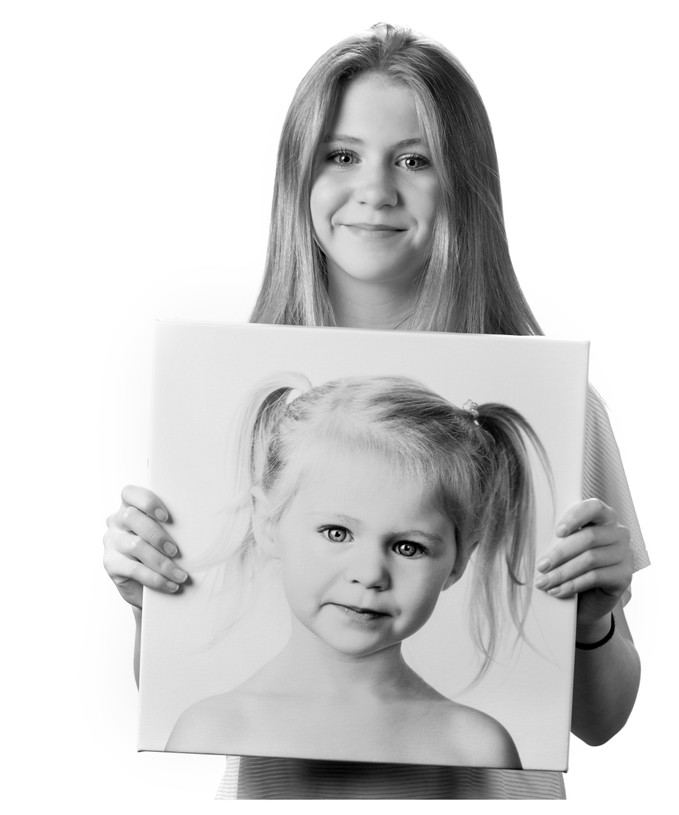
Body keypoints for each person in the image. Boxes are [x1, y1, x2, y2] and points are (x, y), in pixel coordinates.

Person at [103, 23, 649, 799]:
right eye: (341, 154)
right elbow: (162, 688)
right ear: (299, 176)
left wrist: (593, 620)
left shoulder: (562, 407)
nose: (376, 188)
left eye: (416, 159)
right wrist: (147, 601)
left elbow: (601, 716)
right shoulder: (232, 392)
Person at [166, 373, 552, 768]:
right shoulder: (211, 730)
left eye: (408, 547)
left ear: (458, 561)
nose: (370, 574)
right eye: (337, 533)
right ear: (267, 523)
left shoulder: (476, 746)